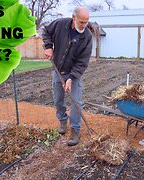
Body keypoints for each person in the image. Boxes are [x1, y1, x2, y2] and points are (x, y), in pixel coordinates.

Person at [42, 6, 92, 146]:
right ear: (74, 17)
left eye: (86, 22)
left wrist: (71, 77)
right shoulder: (60, 24)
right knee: (58, 99)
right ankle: (63, 122)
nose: (84, 25)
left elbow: (82, 62)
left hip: (74, 74)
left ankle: (75, 130)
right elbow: (45, 31)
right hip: (58, 70)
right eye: (82, 22)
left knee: (75, 102)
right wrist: (48, 46)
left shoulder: (86, 36)